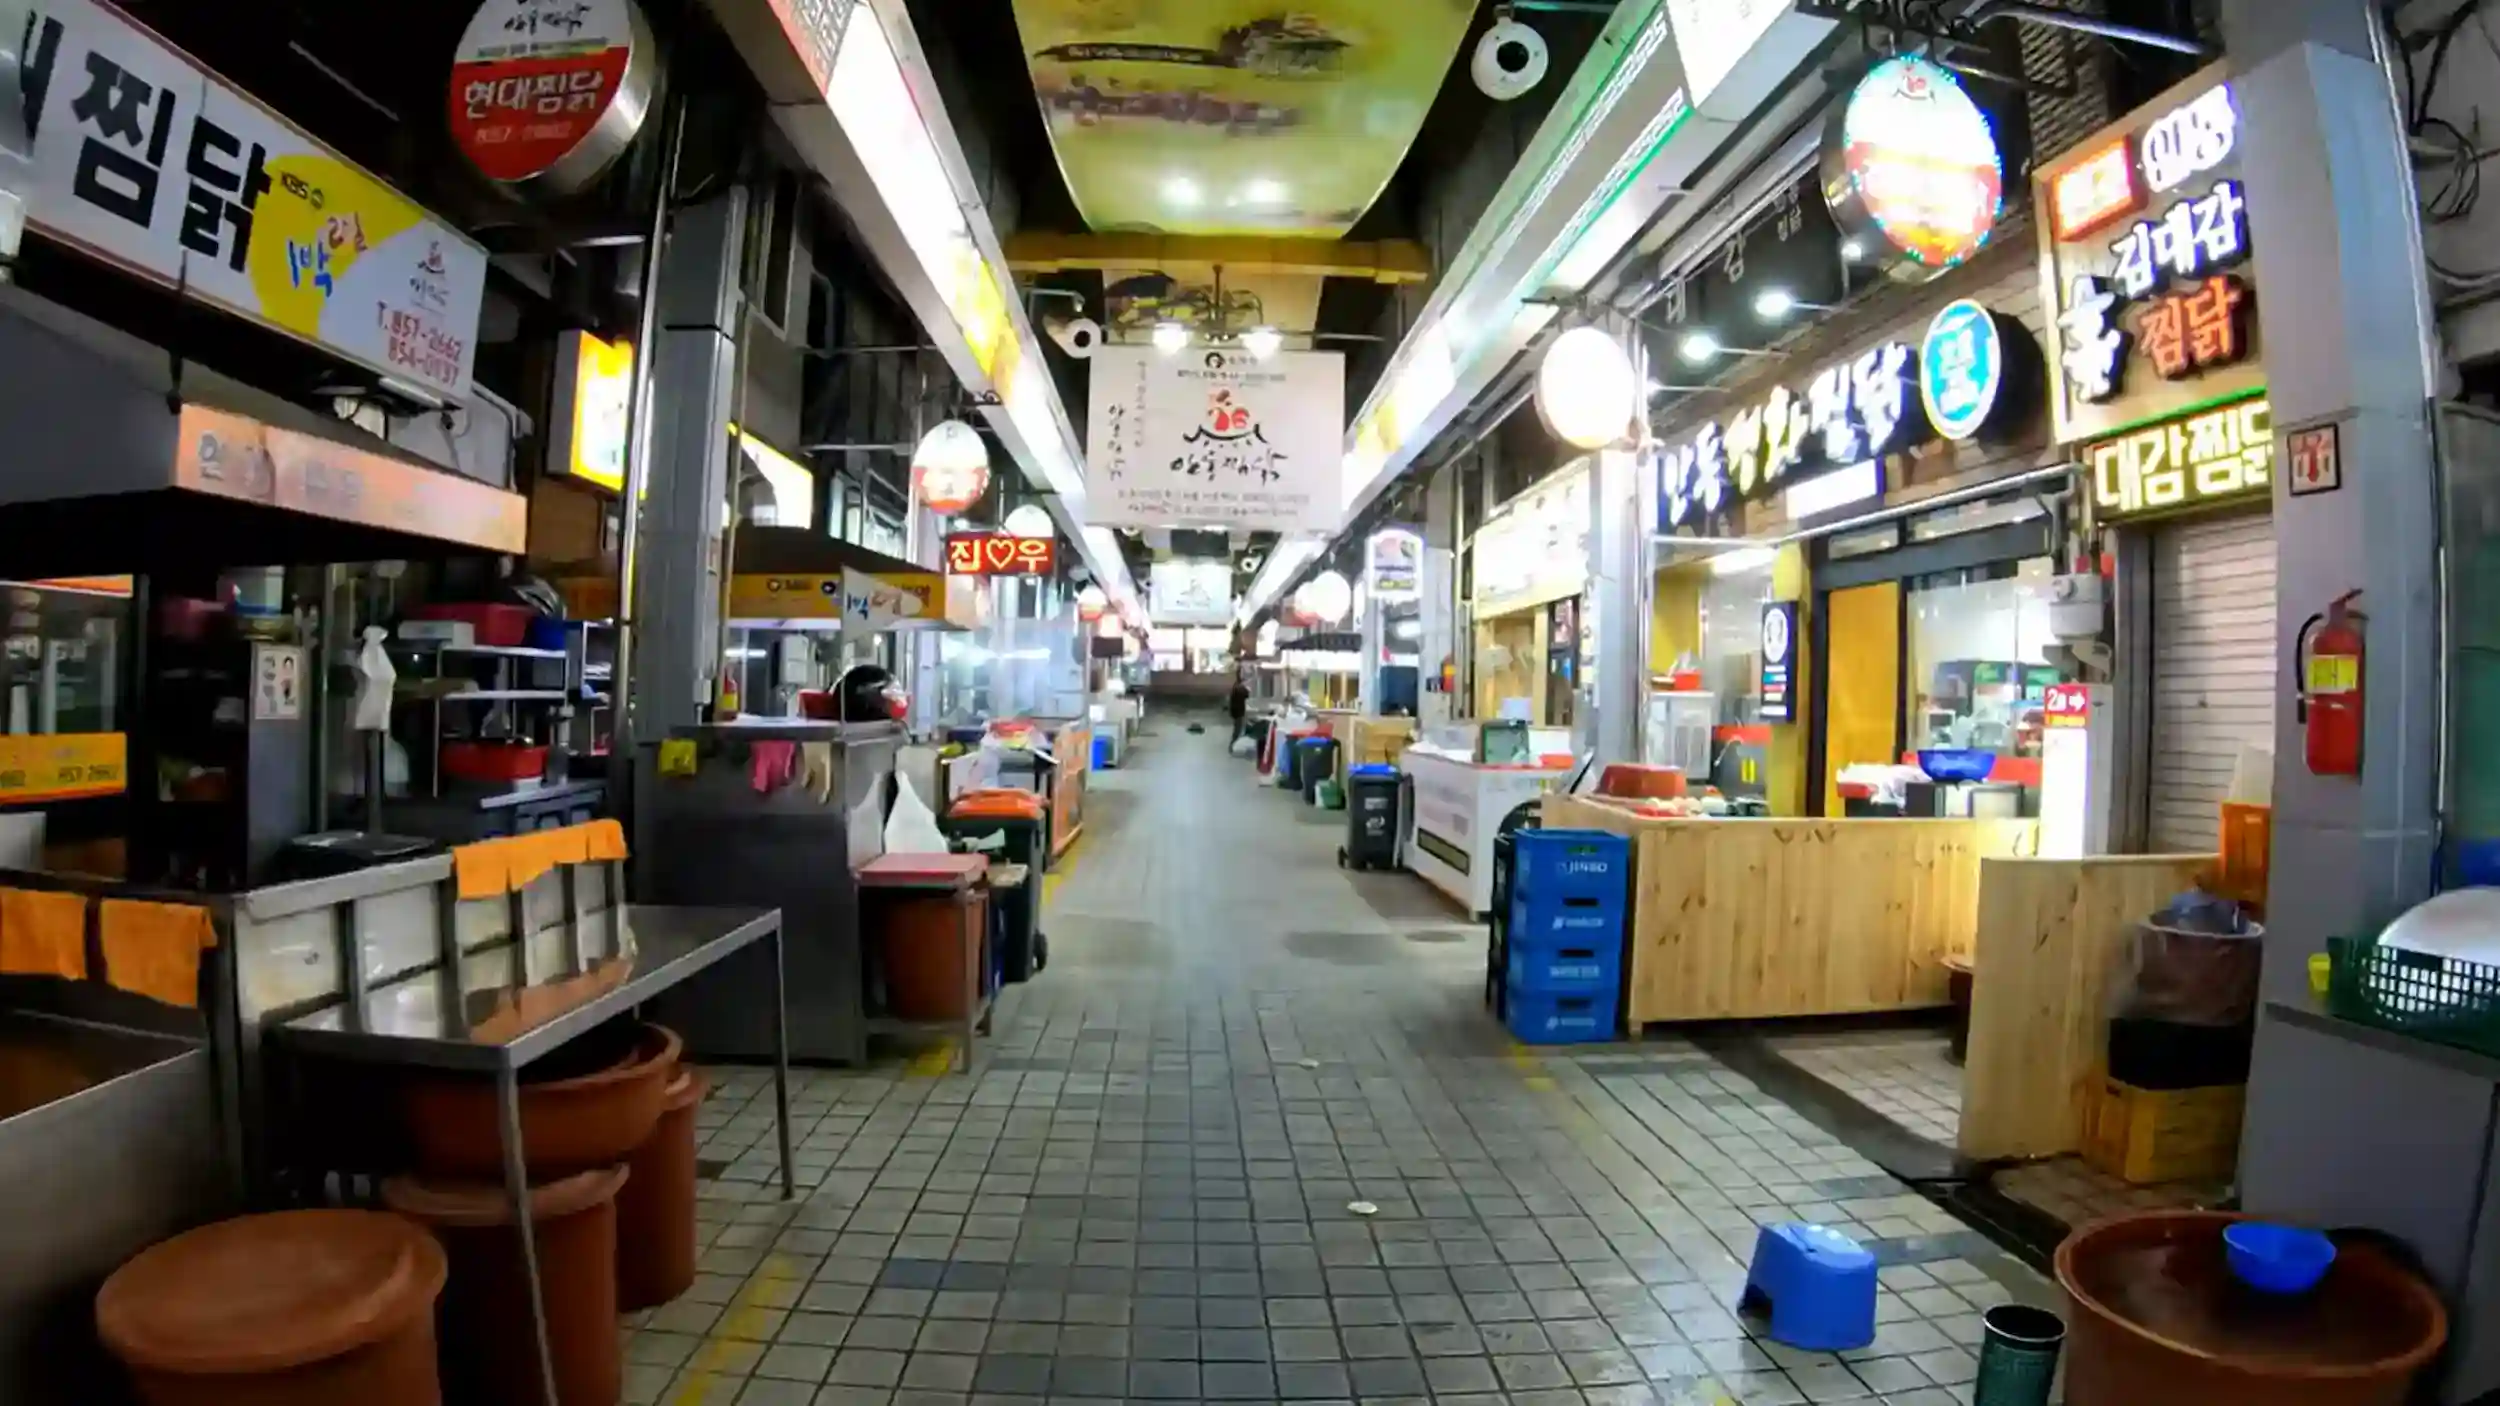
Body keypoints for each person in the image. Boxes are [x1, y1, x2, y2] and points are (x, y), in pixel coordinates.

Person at [1227, 678, 1250, 742]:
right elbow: (1246, 695)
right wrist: (1247, 690)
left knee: (1238, 727)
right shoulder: (1239, 689)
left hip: (1236, 712)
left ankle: (1233, 741)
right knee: (1238, 728)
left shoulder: (1235, 688)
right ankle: (1232, 743)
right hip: (1238, 712)